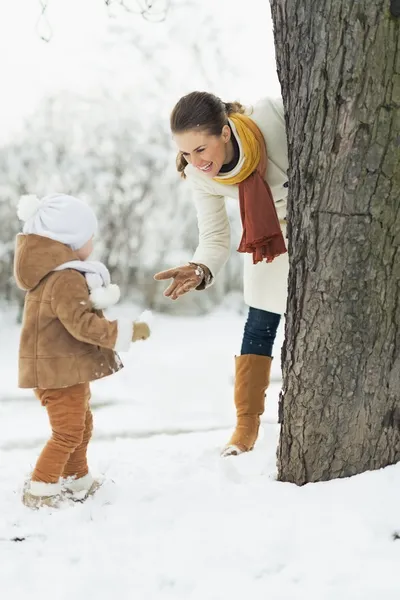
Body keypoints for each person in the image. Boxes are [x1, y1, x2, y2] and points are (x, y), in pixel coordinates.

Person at [154, 91, 288, 457]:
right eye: (185, 153)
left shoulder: (271, 117)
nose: (194, 161)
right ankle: (245, 427)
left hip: (324, 232)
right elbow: (214, 236)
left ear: (224, 133)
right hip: (269, 242)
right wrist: (200, 267)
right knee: (258, 323)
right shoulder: (202, 179)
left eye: (200, 149)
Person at [14, 193, 151, 508]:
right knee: (67, 431)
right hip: (57, 371)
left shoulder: (58, 275)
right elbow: (81, 324)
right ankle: (41, 490)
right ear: (70, 240)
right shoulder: (65, 279)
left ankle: (77, 480)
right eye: (89, 236)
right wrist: (126, 331)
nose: (93, 241)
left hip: (62, 369)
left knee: (81, 425)